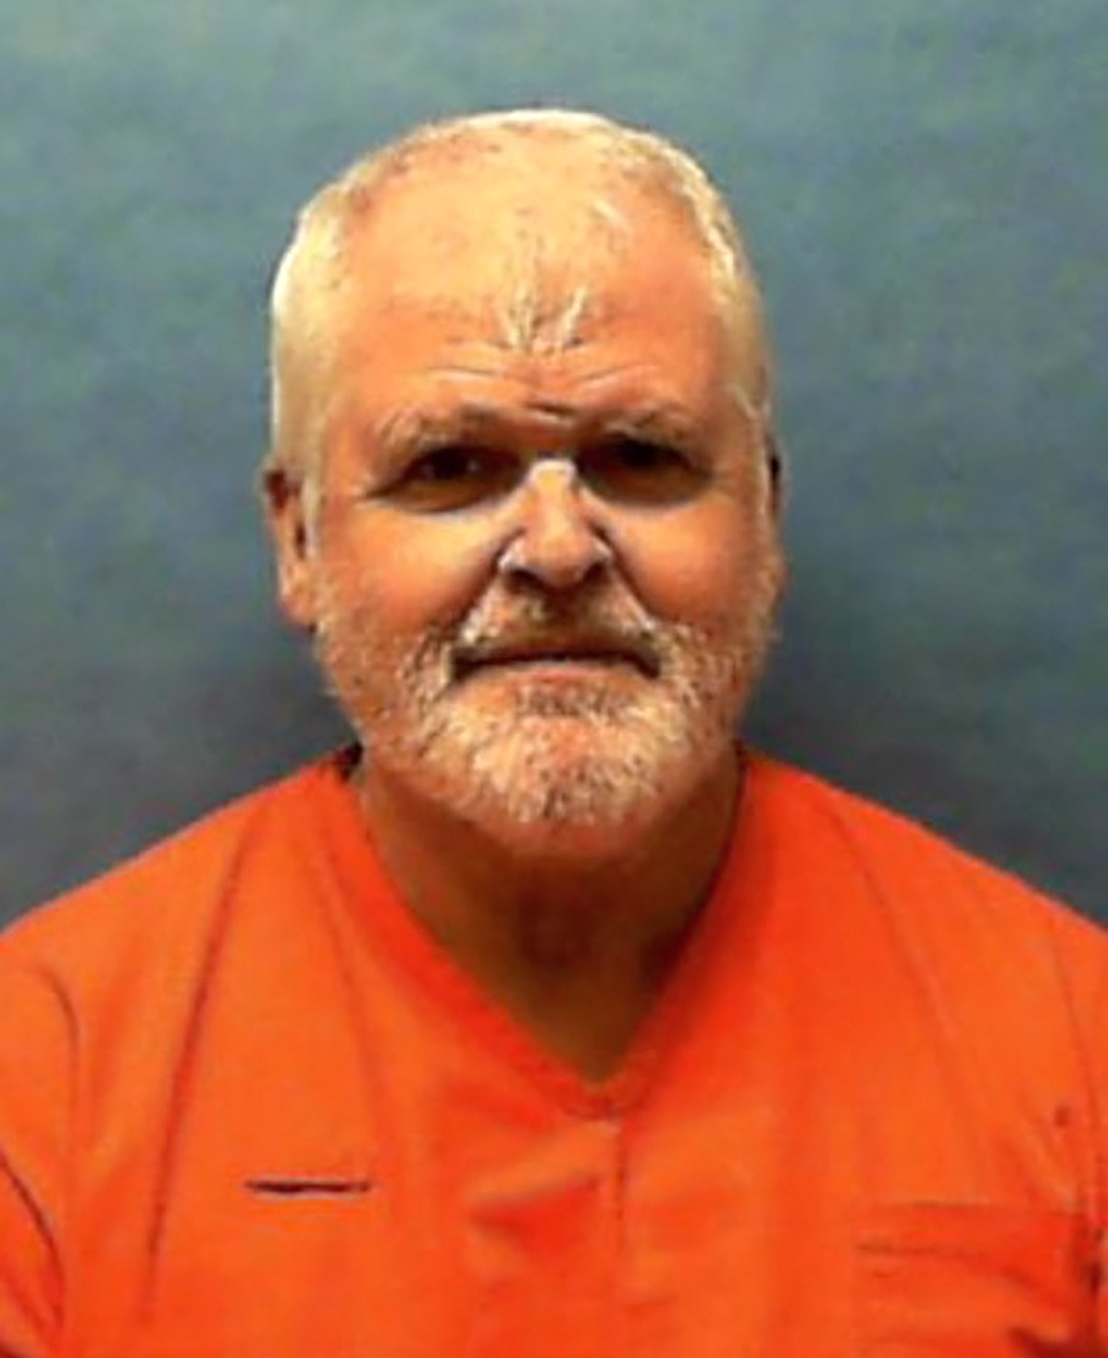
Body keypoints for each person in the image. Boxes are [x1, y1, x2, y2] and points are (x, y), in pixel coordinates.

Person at [1, 108, 1106, 1358]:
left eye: (640, 456)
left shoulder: (1071, 1051)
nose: (560, 549)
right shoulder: (44, 1077)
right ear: (300, 538)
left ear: (764, 515)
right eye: (449, 466)